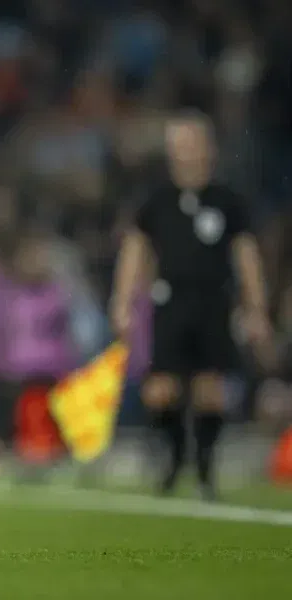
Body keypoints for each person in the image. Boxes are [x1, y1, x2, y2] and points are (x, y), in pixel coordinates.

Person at [110, 111, 272, 501]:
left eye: (192, 143)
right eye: (179, 144)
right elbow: (135, 249)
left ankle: (204, 468)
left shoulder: (227, 201)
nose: (186, 152)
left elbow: (247, 256)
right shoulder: (156, 201)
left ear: (208, 149)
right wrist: (122, 300)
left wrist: (257, 308)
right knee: (160, 390)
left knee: (209, 390)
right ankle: (173, 458)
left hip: (214, 302)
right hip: (169, 301)